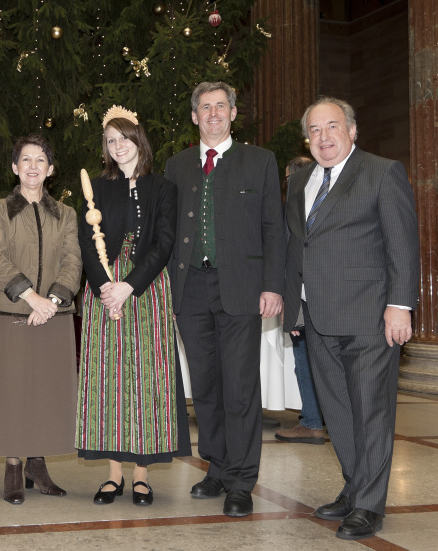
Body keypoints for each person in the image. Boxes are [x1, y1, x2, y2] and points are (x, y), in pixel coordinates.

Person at [283, 97, 419, 540]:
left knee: (371, 413)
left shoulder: (382, 172)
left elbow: (402, 244)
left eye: (332, 127)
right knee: (338, 412)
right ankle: (355, 486)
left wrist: (400, 305)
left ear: (352, 131)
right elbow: (296, 247)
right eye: (315, 130)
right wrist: (294, 305)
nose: (324, 137)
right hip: (317, 318)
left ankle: (368, 505)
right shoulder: (300, 181)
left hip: (369, 316)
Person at [166, 82, 285, 517]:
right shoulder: (176, 166)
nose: (213, 113)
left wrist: (273, 286)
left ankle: (241, 478)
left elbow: (274, 228)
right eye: (205, 107)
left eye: (221, 106)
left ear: (234, 113)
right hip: (190, 290)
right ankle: (216, 467)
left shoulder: (260, 161)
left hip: (242, 289)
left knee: (240, 387)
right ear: (194, 117)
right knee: (207, 386)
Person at [76, 105, 190, 507]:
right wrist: (105, 286)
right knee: (108, 381)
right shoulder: (98, 188)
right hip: (103, 291)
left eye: (124, 137)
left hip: (146, 289)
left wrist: (130, 285)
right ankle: (113, 475)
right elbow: (87, 243)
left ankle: (141, 476)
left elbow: (163, 244)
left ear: (138, 140)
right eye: (110, 140)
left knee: (146, 380)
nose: (118, 145)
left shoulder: (163, 188)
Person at [0, 135, 82, 504]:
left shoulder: (66, 214)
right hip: (12, 312)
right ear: (15, 167)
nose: (33, 166)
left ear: (50, 170)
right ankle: (13, 466)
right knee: (12, 391)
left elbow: (73, 261)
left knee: (48, 391)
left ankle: (39, 465)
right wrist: (31, 298)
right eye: (25, 159)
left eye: (40, 160)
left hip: (54, 314)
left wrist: (52, 300)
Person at [274, 155, 325, 445]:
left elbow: (285, 256)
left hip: (302, 298)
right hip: (329, 298)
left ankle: (311, 422)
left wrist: (288, 305)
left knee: (304, 359)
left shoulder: (291, 208)